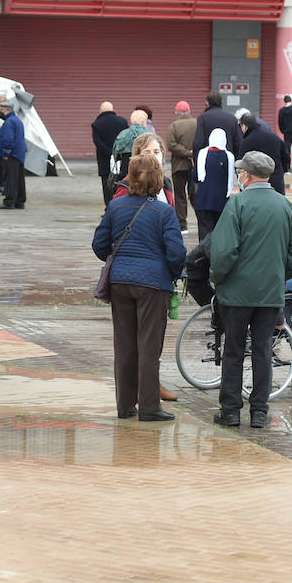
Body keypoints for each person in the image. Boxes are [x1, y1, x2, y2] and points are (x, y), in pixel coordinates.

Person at [209, 152, 292, 429]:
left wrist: (218, 278)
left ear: (246, 175)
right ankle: (260, 412)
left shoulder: (237, 203)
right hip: (269, 294)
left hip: (237, 294)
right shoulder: (284, 205)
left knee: (234, 351)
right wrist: (276, 276)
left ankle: (230, 411)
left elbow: (224, 251)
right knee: (263, 350)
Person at [91, 156, 185, 423]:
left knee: (124, 345)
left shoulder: (116, 205)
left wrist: (119, 262)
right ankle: (149, 407)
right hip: (153, 284)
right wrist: (173, 273)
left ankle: (124, 405)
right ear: (157, 179)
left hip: (120, 282)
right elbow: (176, 253)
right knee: (149, 346)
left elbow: (99, 245)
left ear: (130, 177)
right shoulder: (164, 212)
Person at [193, 128, 234, 242]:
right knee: (219, 231)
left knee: (205, 231)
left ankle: (203, 256)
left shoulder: (202, 154)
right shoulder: (229, 157)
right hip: (222, 200)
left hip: (204, 198)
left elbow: (195, 176)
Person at [236, 112, 287, 195]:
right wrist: (281, 171)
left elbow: (241, 164)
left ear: (244, 126)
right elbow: (285, 157)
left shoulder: (246, 141)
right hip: (276, 180)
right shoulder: (274, 137)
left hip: (254, 184)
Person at [166, 101, 197, 232]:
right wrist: (191, 153)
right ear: (189, 111)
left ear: (177, 113)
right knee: (195, 194)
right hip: (195, 165)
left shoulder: (174, 126)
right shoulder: (198, 124)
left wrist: (185, 153)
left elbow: (171, 145)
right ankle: (202, 221)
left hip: (179, 167)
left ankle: (182, 226)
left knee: (179, 196)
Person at [92, 102, 129, 207]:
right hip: (121, 158)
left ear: (101, 110)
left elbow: (97, 142)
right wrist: (117, 152)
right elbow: (126, 138)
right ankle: (120, 204)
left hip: (104, 159)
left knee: (106, 183)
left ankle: (109, 207)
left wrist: (109, 152)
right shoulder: (122, 122)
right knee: (120, 181)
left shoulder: (97, 124)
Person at [190, 91, 240, 162]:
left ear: (207, 103)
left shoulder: (203, 118)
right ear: (221, 102)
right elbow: (238, 143)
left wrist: (197, 161)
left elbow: (198, 143)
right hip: (227, 160)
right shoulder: (232, 118)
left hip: (207, 160)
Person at [0, 96, 26, 209]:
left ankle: (9, 201)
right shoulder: (17, 120)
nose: (0, 113)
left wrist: (5, 154)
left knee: (10, 178)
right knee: (19, 178)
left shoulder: (9, 122)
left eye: (1, 110)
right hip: (19, 153)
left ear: (7, 110)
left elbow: (8, 140)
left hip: (12, 154)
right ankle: (20, 201)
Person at [111, 110, 150, 183]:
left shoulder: (123, 134)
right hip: (144, 172)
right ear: (144, 120)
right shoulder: (149, 135)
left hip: (125, 171)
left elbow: (116, 154)